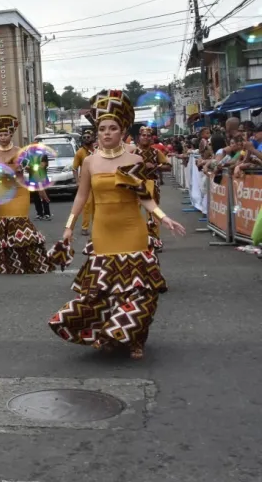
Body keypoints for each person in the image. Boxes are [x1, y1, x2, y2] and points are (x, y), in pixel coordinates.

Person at [49, 90, 186, 359]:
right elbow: (81, 195)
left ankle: (136, 339)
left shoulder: (135, 160)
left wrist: (163, 217)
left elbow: (145, 198)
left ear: (123, 131)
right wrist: (68, 226)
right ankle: (111, 334)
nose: (107, 133)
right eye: (102, 129)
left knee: (137, 289)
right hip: (103, 232)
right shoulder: (89, 162)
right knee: (106, 290)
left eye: (112, 128)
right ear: (97, 131)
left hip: (133, 231)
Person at [0, 115, 52, 274]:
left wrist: (41, 190)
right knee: (4, 227)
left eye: (5, 135)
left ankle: (29, 262)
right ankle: (8, 264)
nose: (2, 138)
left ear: (11, 135)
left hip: (20, 192)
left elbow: (34, 171)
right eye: (0, 135)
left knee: (19, 223)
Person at [136, 126, 171, 243]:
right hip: (135, 185)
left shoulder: (156, 152)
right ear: (139, 137)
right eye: (143, 135)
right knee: (133, 212)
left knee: (153, 212)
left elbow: (168, 166)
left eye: (148, 136)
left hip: (151, 184)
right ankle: (134, 240)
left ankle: (155, 240)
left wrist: (156, 166)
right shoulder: (133, 152)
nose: (146, 138)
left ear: (151, 138)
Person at [72, 129, 96, 236]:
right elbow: (74, 168)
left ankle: (97, 226)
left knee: (98, 204)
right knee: (87, 205)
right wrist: (77, 181)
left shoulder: (98, 150)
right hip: (85, 183)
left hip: (97, 181)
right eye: (85, 137)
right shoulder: (80, 152)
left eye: (88, 137)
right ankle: (85, 227)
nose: (86, 139)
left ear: (93, 138)